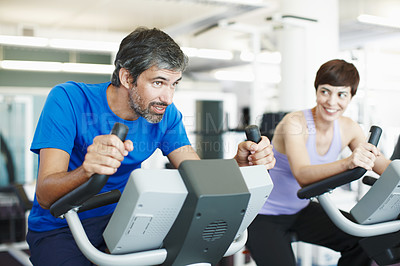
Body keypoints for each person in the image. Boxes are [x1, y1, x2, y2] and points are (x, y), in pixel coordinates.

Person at [25, 27, 275, 265]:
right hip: (59, 227)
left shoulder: (166, 115)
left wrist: (239, 164)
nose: (167, 98)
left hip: (124, 222)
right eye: (158, 82)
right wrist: (87, 170)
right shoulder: (69, 99)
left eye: (174, 84)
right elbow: (46, 195)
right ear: (126, 77)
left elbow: (199, 178)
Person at [246, 59, 391, 266]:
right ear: (316, 91)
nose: (332, 102)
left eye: (341, 94)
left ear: (351, 97)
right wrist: (349, 162)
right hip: (264, 215)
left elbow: (383, 165)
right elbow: (303, 175)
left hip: (300, 210)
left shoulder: (349, 128)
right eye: (325, 91)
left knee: (364, 241)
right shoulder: (295, 123)